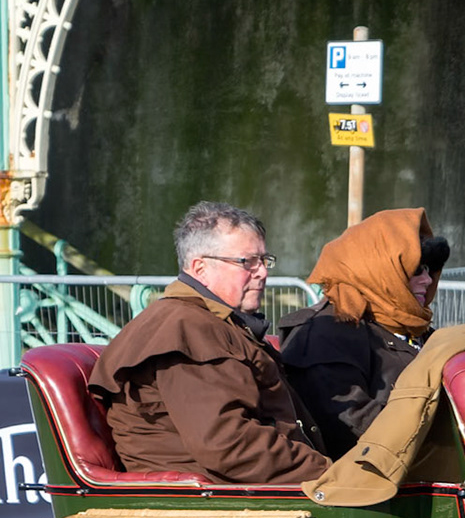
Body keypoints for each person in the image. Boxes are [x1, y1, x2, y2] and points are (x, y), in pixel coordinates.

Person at [88, 201, 327, 484]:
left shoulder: (209, 323)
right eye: (247, 262)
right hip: (216, 502)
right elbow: (229, 445)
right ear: (200, 268)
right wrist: (329, 474)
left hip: (243, 489)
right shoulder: (188, 328)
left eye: (264, 260)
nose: (262, 272)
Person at [277, 208, 451, 457]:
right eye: (415, 269)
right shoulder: (325, 332)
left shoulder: (412, 328)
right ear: (378, 268)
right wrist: (442, 442)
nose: (427, 280)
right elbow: (350, 423)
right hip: (371, 480)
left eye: (429, 269)